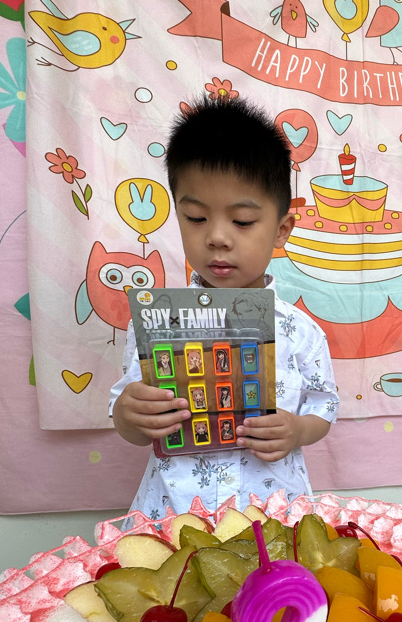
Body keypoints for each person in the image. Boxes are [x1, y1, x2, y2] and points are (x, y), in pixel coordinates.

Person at [110, 95, 338, 517]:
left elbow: (323, 405)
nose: (216, 237)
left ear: (281, 229)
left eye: (242, 221)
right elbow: (132, 423)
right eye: (196, 218)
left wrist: (297, 430)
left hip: (272, 514)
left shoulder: (301, 330)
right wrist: (130, 415)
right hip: (174, 514)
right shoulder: (157, 323)